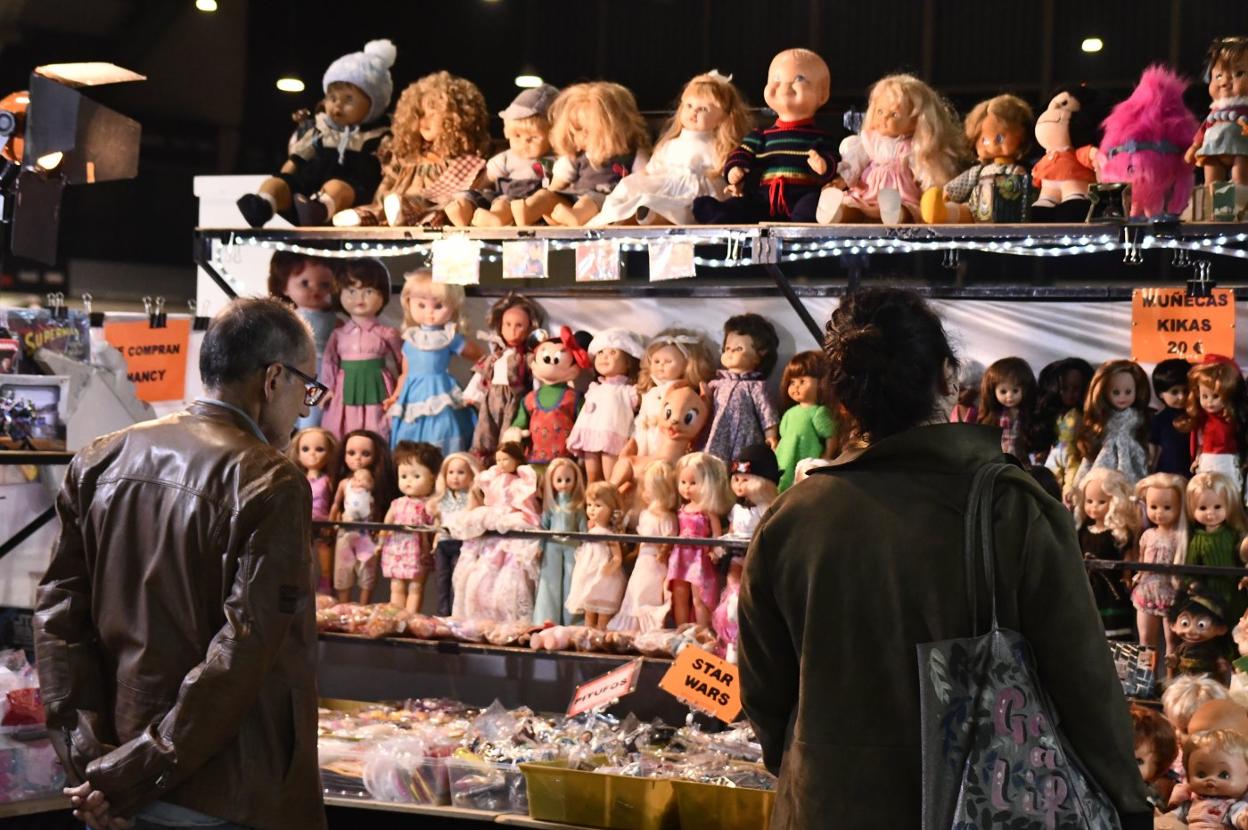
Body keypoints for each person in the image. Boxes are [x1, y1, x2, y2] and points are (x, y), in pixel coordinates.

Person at [737, 287, 1152, 829]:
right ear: (947, 377)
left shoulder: (793, 517)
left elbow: (764, 688)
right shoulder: (1011, 507)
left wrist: (806, 763)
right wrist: (1128, 800)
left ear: (842, 396)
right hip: (979, 802)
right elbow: (1083, 681)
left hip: (825, 803)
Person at [34, 297, 328, 830]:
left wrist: (92, 764)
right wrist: (127, 774)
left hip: (121, 772)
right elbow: (241, 654)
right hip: (225, 787)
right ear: (273, 379)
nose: (305, 410)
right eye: (306, 388)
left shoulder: (101, 457)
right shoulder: (270, 480)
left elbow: (58, 618)